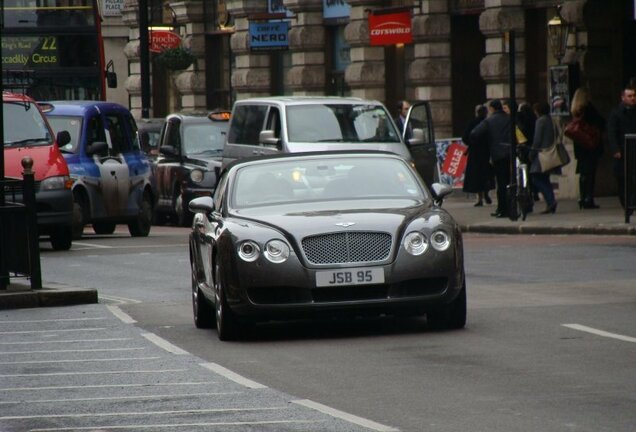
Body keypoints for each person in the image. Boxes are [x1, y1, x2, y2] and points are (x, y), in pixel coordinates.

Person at [470, 99, 512, 218]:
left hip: (497, 154)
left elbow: (474, 133)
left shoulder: (489, 120)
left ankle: (502, 209)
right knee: (510, 181)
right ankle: (511, 206)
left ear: (492, 109)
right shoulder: (509, 118)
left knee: (501, 182)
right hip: (510, 152)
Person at [569, 87, 605, 209]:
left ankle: (582, 197)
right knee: (590, 173)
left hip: (580, 146)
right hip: (589, 144)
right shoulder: (588, 109)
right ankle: (588, 198)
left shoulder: (575, 110)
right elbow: (600, 122)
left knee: (583, 173)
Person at [607, 84, 636, 209]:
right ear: (623, 97)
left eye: (634, 96)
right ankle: (626, 204)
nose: (633, 98)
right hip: (623, 150)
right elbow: (611, 132)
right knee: (623, 178)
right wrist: (616, 149)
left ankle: (632, 202)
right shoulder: (616, 113)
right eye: (630, 96)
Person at [462, 104, 493, 206]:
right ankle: (486, 193)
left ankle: (480, 197)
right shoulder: (489, 123)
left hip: (475, 152)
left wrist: (471, 143)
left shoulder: (472, 123)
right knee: (487, 174)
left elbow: (465, 137)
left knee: (477, 175)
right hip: (487, 151)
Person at [529, 101, 558, 214]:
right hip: (549, 151)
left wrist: (532, 153)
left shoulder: (540, 121)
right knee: (544, 178)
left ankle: (550, 201)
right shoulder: (551, 120)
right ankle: (550, 201)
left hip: (541, 153)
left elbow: (537, 140)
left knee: (536, 178)